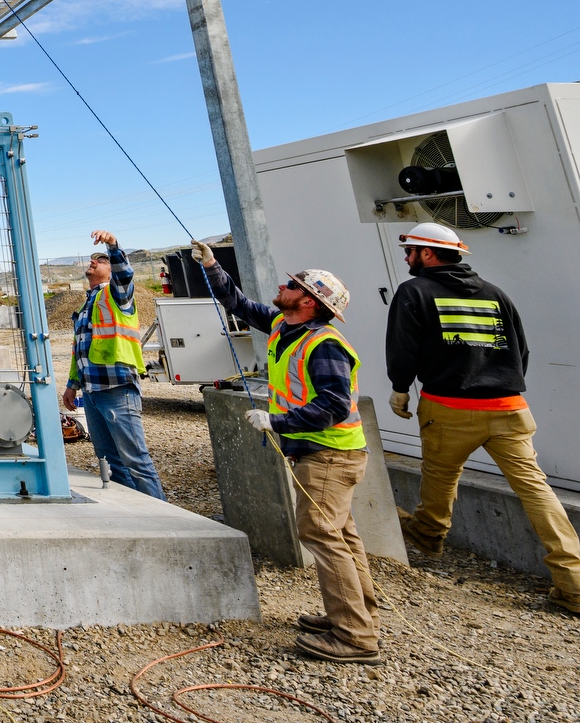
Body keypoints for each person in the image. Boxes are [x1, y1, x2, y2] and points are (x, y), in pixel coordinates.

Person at [191, 240, 380, 663]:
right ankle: (356, 614)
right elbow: (237, 302)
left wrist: (277, 421)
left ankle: (355, 636)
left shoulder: (323, 344)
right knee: (343, 535)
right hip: (324, 454)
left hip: (329, 454)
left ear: (311, 302)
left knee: (321, 534)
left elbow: (332, 406)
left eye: (293, 285)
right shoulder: (283, 325)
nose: (283, 285)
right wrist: (210, 264)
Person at [386, 222, 580, 616]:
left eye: (411, 252)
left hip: (449, 407)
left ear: (428, 254)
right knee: (536, 490)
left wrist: (400, 386)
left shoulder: (414, 291)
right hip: (509, 408)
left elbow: (403, 345)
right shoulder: (495, 293)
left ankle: (428, 535)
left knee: (441, 476)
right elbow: (521, 350)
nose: (407, 259)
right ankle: (574, 584)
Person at [60, 230, 165, 499]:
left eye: (101, 259)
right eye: (93, 258)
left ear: (110, 271)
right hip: (93, 391)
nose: (94, 261)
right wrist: (72, 386)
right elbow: (79, 351)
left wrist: (113, 247)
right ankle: (135, 510)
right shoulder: (88, 304)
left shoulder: (117, 294)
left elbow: (125, 275)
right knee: (110, 460)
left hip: (117, 387)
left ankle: (163, 518)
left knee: (136, 460)